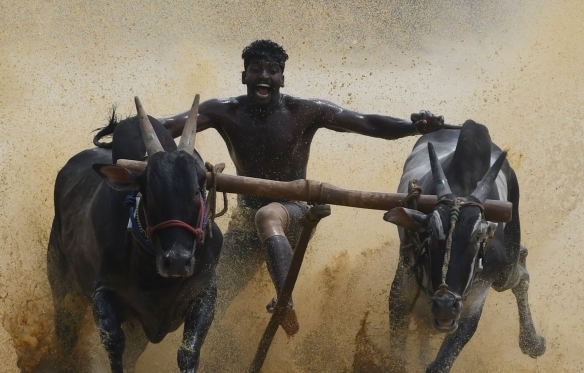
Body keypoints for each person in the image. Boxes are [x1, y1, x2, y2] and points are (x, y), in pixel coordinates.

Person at [163, 40, 445, 335]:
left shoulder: (305, 111)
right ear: (244, 76)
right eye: (256, 69)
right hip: (245, 221)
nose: (264, 76)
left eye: (272, 71)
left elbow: (365, 123)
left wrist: (413, 127)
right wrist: (129, 130)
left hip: (294, 212)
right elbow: (170, 125)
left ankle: (285, 301)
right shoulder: (224, 111)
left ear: (282, 80)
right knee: (212, 299)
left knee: (268, 216)